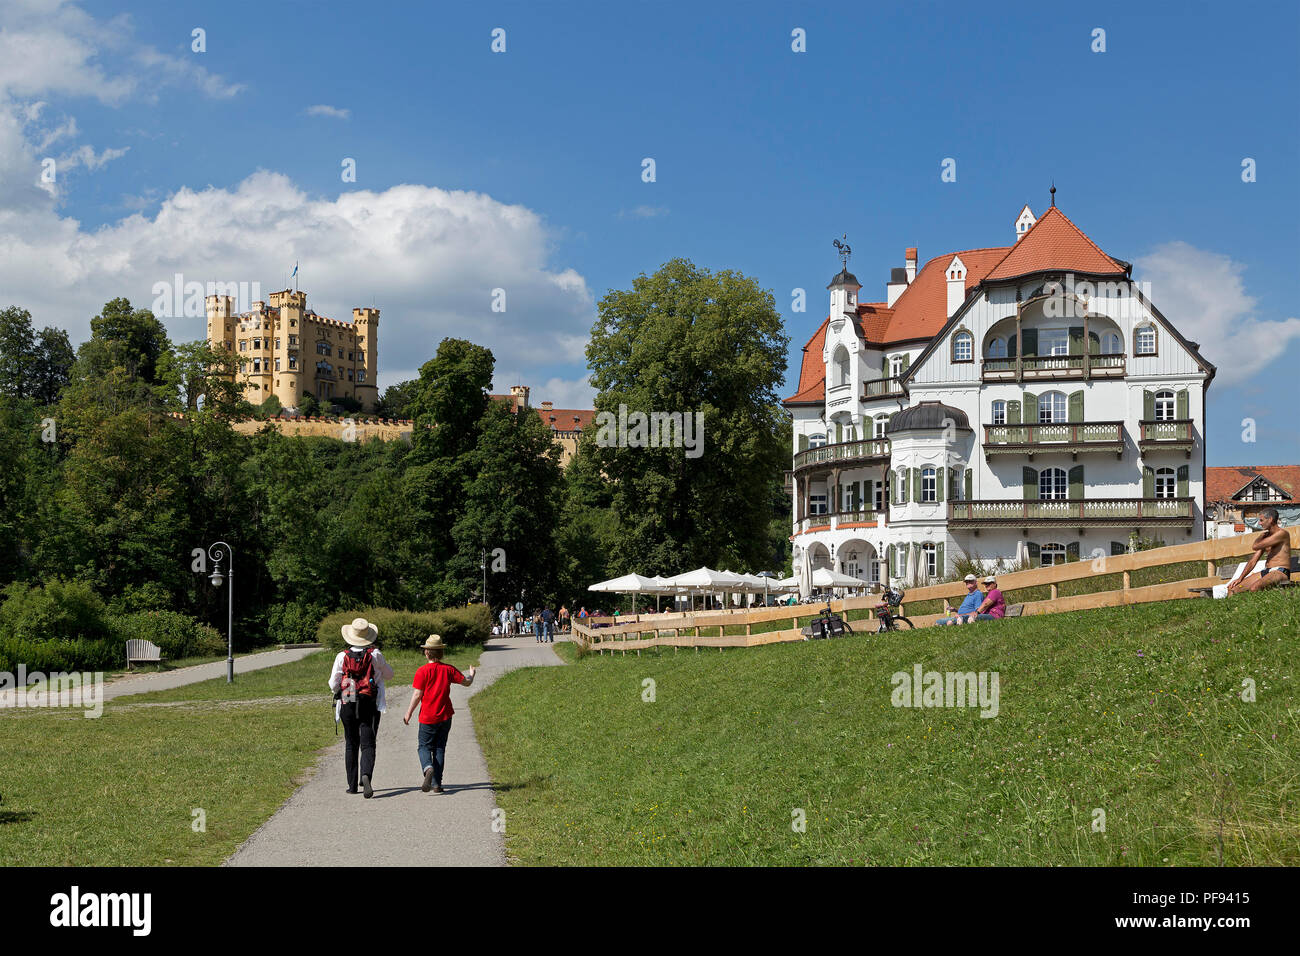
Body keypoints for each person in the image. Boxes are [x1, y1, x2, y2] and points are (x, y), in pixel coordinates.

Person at [328, 617, 395, 798]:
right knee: (368, 743)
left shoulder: (342, 656)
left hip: (348, 700)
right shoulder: (375, 654)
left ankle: (352, 785)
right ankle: (366, 775)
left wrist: (341, 688)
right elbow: (390, 675)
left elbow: (333, 683)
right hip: (369, 702)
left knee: (351, 743)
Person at [403, 635, 476, 794]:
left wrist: (408, 713)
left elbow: (417, 695)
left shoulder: (422, 671)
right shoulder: (448, 669)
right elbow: (467, 682)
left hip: (428, 717)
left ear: (427, 653)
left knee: (423, 746)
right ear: (441, 652)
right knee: (439, 748)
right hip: (445, 716)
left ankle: (427, 768)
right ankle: (437, 784)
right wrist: (472, 673)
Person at [1226, 507, 1292, 594]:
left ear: (1270, 519)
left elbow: (1255, 546)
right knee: (1233, 590)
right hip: (1266, 571)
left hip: (1280, 571)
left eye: (1261, 520)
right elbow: (1253, 561)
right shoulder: (1266, 537)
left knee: (1254, 588)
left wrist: (1261, 536)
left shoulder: (1282, 534)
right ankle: (1236, 607)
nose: (1259, 523)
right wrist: (1240, 578)